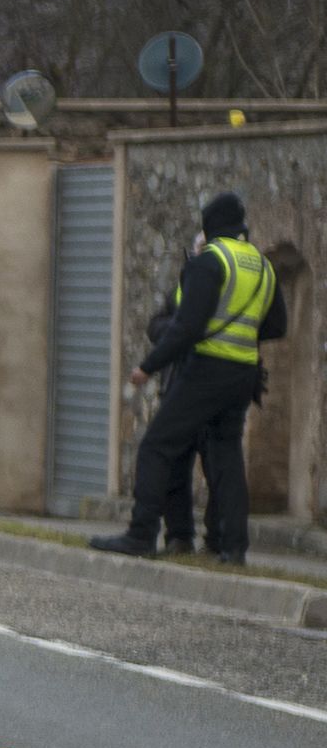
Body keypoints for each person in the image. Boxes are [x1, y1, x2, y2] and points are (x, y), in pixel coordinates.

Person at [92, 192, 284, 567]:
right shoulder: (262, 265)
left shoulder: (211, 261)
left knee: (156, 446)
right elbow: (278, 325)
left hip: (206, 371)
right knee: (227, 457)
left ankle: (141, 533)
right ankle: (234, 548)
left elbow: (187, 326)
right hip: (243, 374)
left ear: (209, 225)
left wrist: (147, 366)